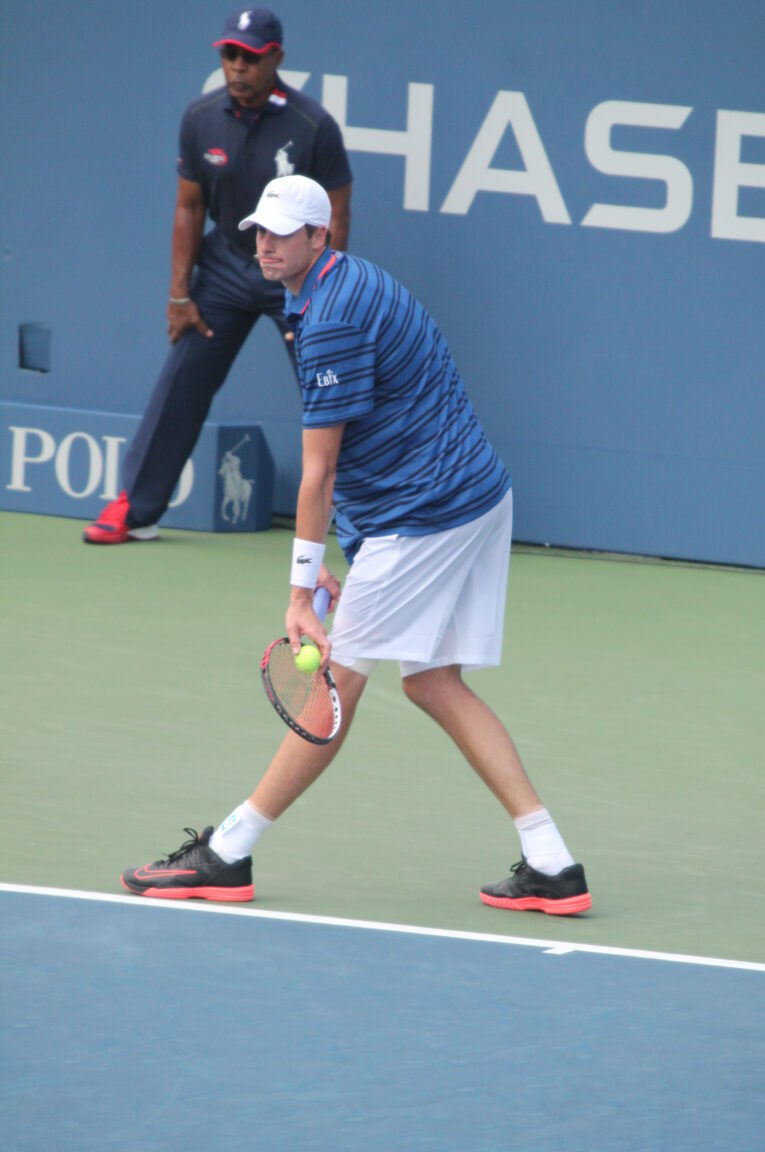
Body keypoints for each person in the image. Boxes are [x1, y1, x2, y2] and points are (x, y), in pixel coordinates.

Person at [121, 176, 592, 917]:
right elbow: (378, 440)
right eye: (259, 230)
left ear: (321, 237)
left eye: (283, 232)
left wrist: (303, 589)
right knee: (433, 680)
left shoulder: (331, 317)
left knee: (335, 686)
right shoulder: (338, 286)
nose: (264, 244)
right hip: (472, 497)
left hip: (428, 513)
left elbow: (320, 471)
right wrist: (356, 554)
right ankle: (552, 861)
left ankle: (228, 853)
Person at [83, 8, 352, 544]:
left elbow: (336, 215)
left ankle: (362, 517)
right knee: (183, 375)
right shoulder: (200, 118)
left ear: (275, 57)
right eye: (229, 55)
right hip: (227, 264)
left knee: (332, 390)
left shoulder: (312, 127)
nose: (237, 67)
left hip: (296, 274)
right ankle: (137, 507)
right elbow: (189, 207)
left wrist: (322, 295)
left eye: (249, 57)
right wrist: (179, 293)